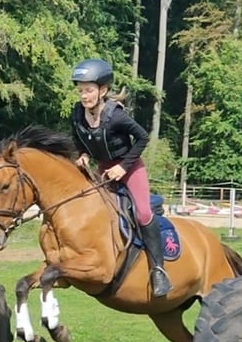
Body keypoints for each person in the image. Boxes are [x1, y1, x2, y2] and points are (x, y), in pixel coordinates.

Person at [69, 58, 173, 297]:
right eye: (81, 90)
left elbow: (143, 138)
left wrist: (123, 167)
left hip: (130, 167)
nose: (84, 96)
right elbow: (77, 137)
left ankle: (158, 270)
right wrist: (83, 153)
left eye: (89, 90)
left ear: (102, 90)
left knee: (143, 213)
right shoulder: (77, 113)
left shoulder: (116, 116)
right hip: (104, 168)